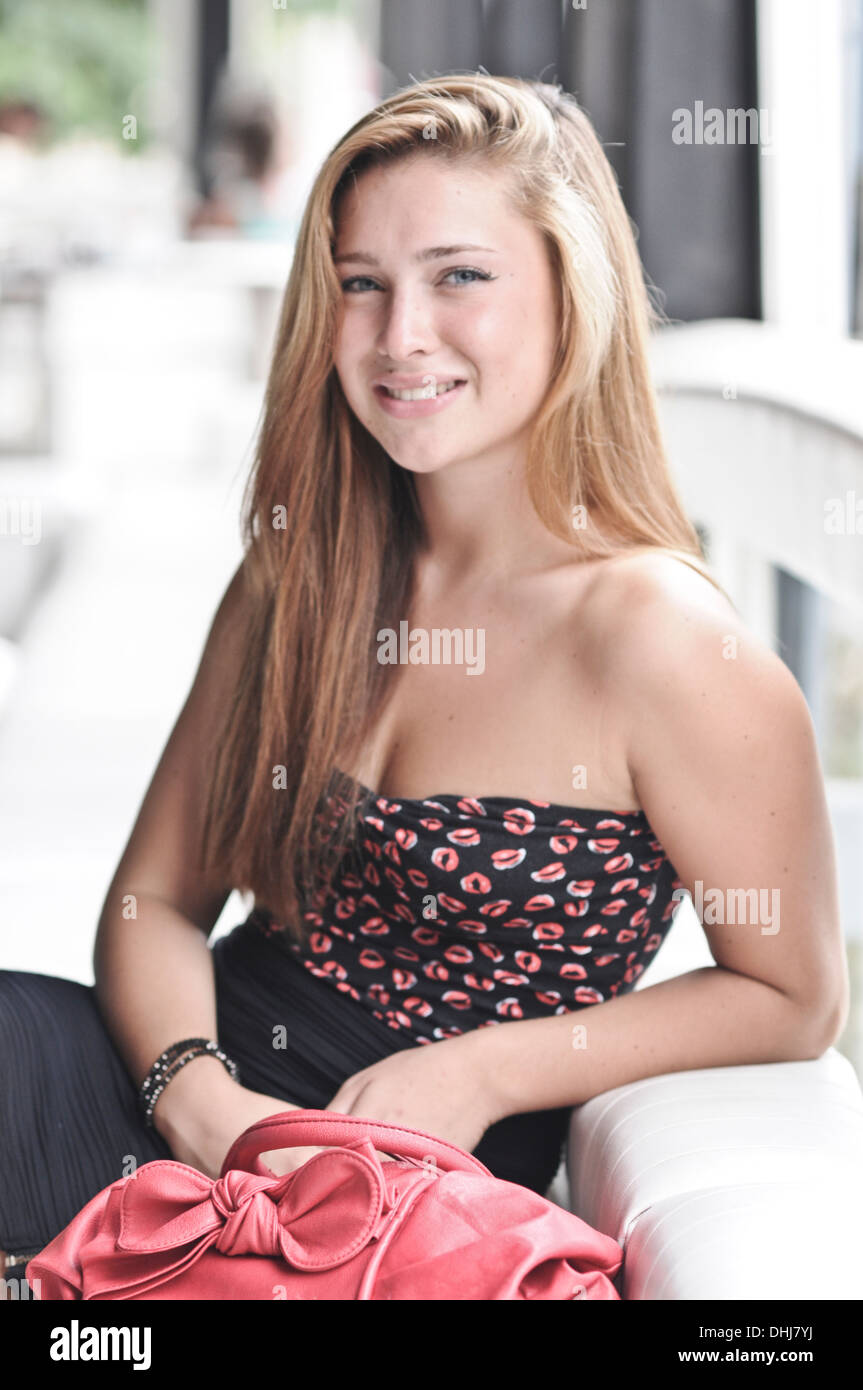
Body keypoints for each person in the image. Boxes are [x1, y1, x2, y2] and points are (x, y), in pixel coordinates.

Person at [0, 74, 848, 1298]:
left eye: (460, 275)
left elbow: (790, 992)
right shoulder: (299, 573)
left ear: (571, 291)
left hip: (398, 1186)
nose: (401, 335)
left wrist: (489, 1070)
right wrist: (198, 1097)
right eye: (361, 282)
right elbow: (155, 900)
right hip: (178, 1098)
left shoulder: (662, 644)